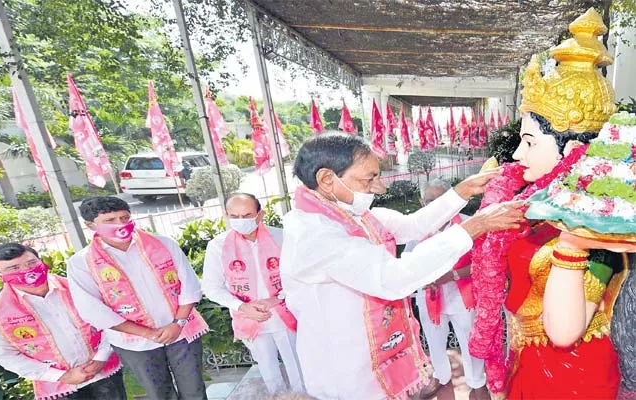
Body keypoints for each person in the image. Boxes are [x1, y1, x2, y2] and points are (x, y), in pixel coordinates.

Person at [280, 133, 524, 400]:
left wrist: (463, 191)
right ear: (327, 179)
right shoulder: (314, 233)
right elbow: (391, 278)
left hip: (375, 358)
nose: (379, 188)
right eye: (368, 179)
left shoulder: (353, 215)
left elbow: (413, 226)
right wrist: (476, 226)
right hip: (345, 371)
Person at [467, 9, 626, 399]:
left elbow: (563, 330)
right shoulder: (534, 202)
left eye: (530, 141)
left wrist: (575, 241)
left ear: (573, 150)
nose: (518, 154)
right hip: (527, 359)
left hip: (576, 375)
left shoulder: (600, 223)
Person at [66, 196, 208, 400]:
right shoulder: (81, 263)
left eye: (124, 217)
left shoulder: (162, 243)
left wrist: (178, 323)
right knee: (159, 393)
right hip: (134, 342)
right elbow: (93, 311)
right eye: (110, 220)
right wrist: (148, 333)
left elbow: (190, 286)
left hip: (181, 331)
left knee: (194, 389)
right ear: (90, 225)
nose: (120, 224)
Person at [0, 243, 125, 400]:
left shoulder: (78, 287)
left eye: (31, 263)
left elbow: (110, 319)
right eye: (14, 268)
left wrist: (101, 358)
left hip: (105, 371)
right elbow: (5, 355)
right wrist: (62, 376)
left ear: (41, 261)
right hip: (58, 385)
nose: (26, 270)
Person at [201, 192, 304, 394]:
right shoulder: (218, 246)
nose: (241, 221)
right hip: (249, 318)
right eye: (235, 216)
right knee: (268, 371)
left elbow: (300, 275)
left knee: (299, 367)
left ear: (260, 215)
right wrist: (242, 306)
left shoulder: (282, 237)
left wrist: (277, 298)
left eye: (247, 215)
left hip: (286, 313)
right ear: (226, 216)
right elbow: (211, 287)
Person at [403, 180, 488, 400]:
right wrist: (423, 278)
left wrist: (452, 276)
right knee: (434, 339)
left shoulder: (469, 225)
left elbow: (483, 262)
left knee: (471, 339)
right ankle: (440, 377)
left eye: (442, 199)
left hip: (464, 295)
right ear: (423, 202)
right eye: (431, 200)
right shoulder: (415, 231)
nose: (436, 205)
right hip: (429, 296)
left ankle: (477, 382)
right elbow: (407, 266)